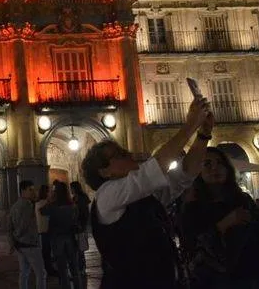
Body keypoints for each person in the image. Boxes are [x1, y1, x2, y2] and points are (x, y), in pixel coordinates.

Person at [81, 92, 212, 288]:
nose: (128, 154)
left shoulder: (144, 196)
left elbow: (185, 173)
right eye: (118, 155)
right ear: (104, 172)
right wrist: (191, 124)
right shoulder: (107, 195)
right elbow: (155, 168)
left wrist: (204, 134)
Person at [179, 146, 259, 288]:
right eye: (207, 164)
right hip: (217, 281)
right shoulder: (192, 208)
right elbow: (192, 248)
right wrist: (224, 224)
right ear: (198, 172)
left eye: (220, 163)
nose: (215, 168)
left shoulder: (242, 199)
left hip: (256, 275)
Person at [41, 181, 84, 289]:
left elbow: (42, 211)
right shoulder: (72, 205)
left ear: (56, 192)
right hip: (70, 237)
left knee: (62, 269)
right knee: (74, 268)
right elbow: (76, 218)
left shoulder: (53, 206)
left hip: (57, 239)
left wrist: (49, 199)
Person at [10, 180, 46, 289]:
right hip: (30, 243)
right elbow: (24, 225)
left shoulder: (14, 206)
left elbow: (10, 226)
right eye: (30, 190)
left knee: (24, 272)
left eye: (33, 189)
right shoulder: (27, 205)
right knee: (41, 273)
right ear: (23, 190)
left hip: (20, 245)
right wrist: (17, 236)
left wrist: (13, 241)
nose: (33, 192)